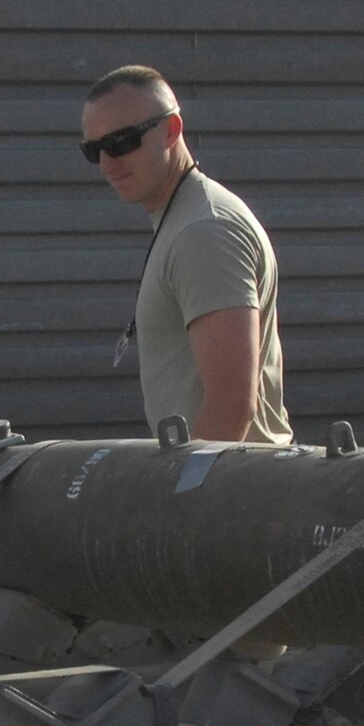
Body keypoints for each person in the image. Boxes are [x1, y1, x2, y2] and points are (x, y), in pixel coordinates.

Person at [80, 64, 292, 445]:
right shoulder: (184, 219)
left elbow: (230, 405)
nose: (108, 163)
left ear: (172, 130)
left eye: (122, 142)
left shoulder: (203, 232)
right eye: (94, 150)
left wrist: (185, 497)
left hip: (234, 492)